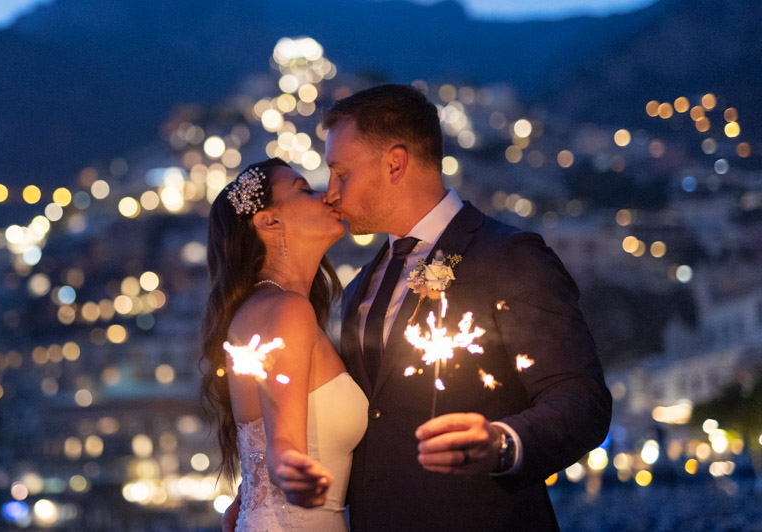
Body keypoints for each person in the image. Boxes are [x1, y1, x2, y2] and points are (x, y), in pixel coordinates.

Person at [307, 83, 612, 530]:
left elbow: (582, 398)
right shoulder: (358, 290)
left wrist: (504, 443)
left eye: (341, 173)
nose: (331, 193)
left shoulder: (509, 256)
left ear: (395, 163)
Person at [201, 158, 368, 531]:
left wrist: (252, 493)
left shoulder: (265, 309)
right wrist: (286, 466)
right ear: (269, 221)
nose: (327, 196)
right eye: (304, 190)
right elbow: (283, 446)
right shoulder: (288, 310)